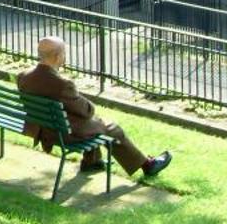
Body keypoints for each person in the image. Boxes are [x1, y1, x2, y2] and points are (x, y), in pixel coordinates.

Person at [18, 36, 172, 180]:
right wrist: (88, 103)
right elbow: (87, 110)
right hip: (63, 134)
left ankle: (92, 162)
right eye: (64, 53)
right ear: (58, 56)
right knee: (111, 128)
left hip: (42, 129)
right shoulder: (63, 85)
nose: (65, 56)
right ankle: (147, 165)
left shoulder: (23, 76)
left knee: (92, 123)